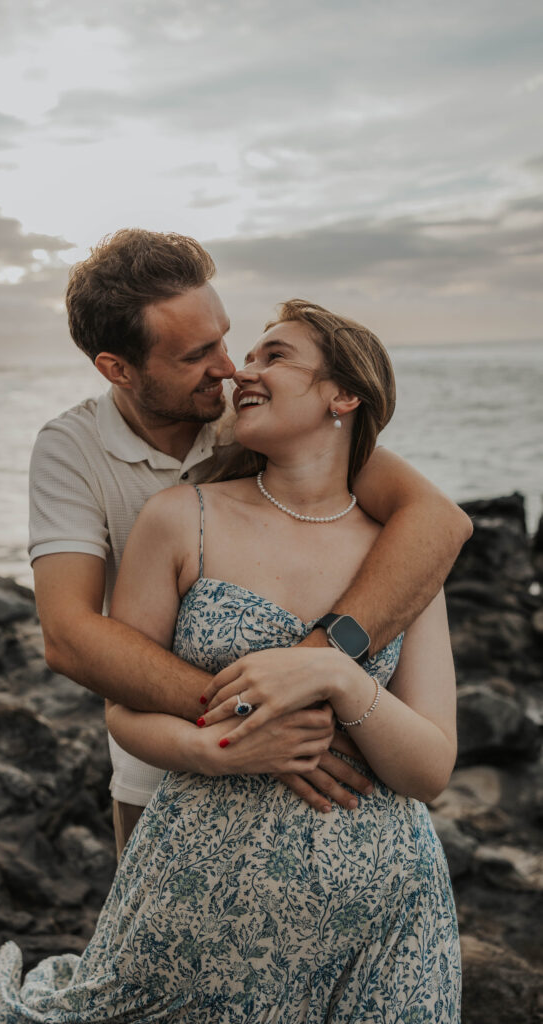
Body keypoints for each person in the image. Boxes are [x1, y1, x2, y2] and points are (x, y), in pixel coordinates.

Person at [0, 300, 461, 1022]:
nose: (240, 367)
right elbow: (113, 690)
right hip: (201, 892)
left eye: (273, 355)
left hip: (383, 920)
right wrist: (218, 746)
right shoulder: (182, 516)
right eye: (242, 354)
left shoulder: (401, 553)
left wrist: (337, 676)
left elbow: (428, 769)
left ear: (343, 395)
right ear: (117, 368)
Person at [28, 229, 471, 854]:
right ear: (117, 369)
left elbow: (435, 522)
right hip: (164, 778)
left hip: (339, 806)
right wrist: (256, 720)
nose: (230, 367)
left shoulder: (261, 419)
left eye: (223, 337)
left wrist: (316, 666)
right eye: (195, 355)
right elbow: (69, 635)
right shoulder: (71, 450)